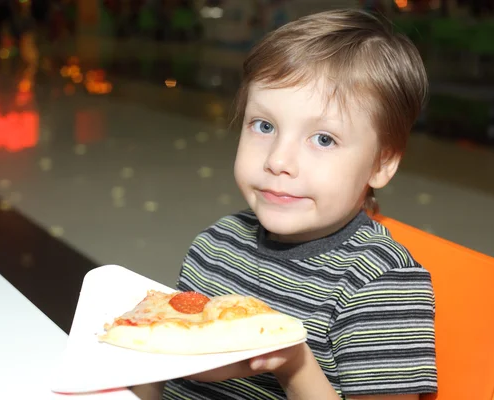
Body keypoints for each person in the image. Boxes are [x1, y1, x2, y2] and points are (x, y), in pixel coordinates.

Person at [135, 9, 438, 400]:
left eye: (324, 139)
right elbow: (156, 370)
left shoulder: (381, 285)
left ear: (382, 164)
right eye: (264, 126)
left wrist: (293, 363)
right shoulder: (216, 244)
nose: (278, 160)